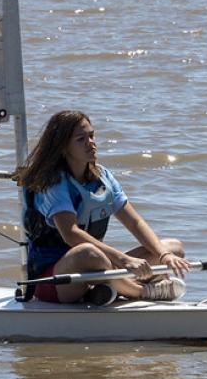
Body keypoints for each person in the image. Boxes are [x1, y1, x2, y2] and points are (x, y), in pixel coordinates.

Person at [16, 110, 190, 305]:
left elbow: (134, 222)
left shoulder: (103, 177)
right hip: (53, 281)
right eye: (81, 139)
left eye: (91, 135)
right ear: (63, 147)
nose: (91, 143)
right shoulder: (54, 183)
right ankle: (142, 292)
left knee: (174, 249)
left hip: (96, 267)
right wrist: (123, 260)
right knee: (90, 253)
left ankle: (106, 289)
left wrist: (163, 255)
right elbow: (71, 234)